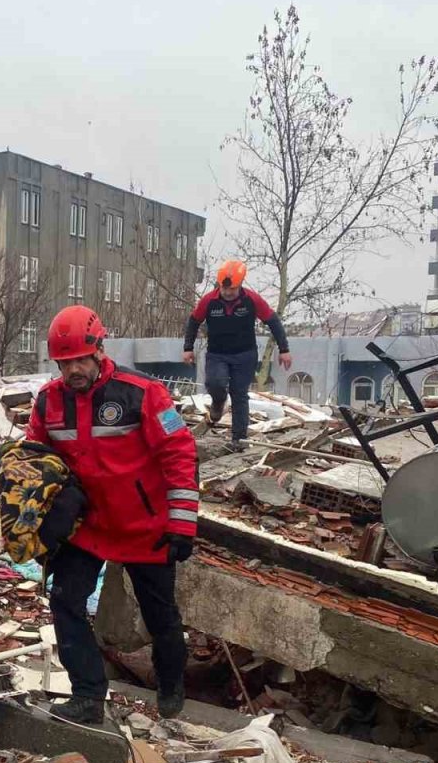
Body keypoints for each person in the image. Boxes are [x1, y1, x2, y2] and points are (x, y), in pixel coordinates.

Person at [27, 306, 199, 724]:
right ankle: (88, 695)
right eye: (64, 363)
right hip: (87, 528)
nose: (73, 371)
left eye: (80, 360)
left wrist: (182, 522)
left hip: (146, 527)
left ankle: (171, 684)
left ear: (100, 350)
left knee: (160, 615)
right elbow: (31, 460)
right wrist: (34, 522)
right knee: (65, 601)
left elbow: (180, 452)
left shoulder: (144, 393)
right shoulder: (48, 401)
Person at [182, 259, 291, 452]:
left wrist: (284, 349)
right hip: (217, 354)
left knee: (239, 394)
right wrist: (188, 347)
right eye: (225, 289)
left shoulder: (251, 299)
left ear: (240, 285)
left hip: (245, 354)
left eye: (232, 289)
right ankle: (218, 402)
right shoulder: (209, 301)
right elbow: (194, 321)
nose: (228, 293)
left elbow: (272, 320)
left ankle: (239, 439)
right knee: (215, 383)